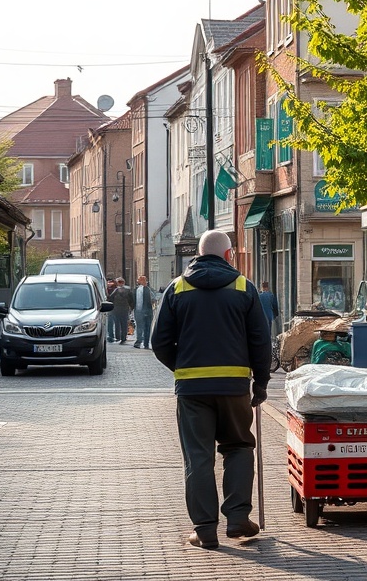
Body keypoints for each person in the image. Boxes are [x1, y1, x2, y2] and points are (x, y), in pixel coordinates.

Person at [151, 229, 271, 549]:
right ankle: (237, 518)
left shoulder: (177, 288)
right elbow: (260, 341)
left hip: (192, 392)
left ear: (197, 255)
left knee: (198, 457)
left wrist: (183, 368)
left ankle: (205, 529)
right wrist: (260, 382)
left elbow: (159, 342)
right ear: (229, 255)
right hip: (234, 388)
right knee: (239, 447)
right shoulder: (244, 287)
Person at [132, 274, 158, 349]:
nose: (137, 281)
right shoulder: (142, 289)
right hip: (143, 311)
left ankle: (142, 342)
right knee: (144, 327)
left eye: (139, 280)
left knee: (143, 327)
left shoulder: (144, 289)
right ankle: (142, 342)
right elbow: (154, 298)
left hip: (143, 311)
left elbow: (153, 298)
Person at [109, 277, 134, 344]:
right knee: (124, 324)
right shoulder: (128, 290)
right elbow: (131, 300)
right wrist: (131, 308)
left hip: (116, 309)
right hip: (125, 309)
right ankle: (123, 338)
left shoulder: (116, 290)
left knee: (117, 324)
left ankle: (118, 337)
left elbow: (110, 298)